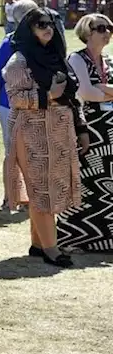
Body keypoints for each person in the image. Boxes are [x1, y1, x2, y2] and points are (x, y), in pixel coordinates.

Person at [4, 7, 84, 267]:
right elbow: (15, 99)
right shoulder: (19, 61)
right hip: (32, 133)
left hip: (59, 133)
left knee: (49, 188)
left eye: (50, 23)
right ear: (29, 29)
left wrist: (80, 127)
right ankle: (52, 249)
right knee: (41, 191)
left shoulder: (56, 56)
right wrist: (48, 95)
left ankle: (39, 244)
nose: (47, 28)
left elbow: (72, 96)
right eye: (40, 24)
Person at [58, 13, 113, 252]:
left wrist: (101, 89)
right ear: (87, 32)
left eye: (110, 27)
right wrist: (105, 91)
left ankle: (106, 239)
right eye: (101, 28)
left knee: (108, 184)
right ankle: (75, 238)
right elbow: (85, 93)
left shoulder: (108, 61)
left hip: (109, 132)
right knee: (84, 182)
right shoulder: (77, 59)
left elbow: (94, 90)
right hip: (88, 129)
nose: (107, 32)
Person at [0, 0, 38, 212]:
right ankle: (11, 197)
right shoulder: (9, 43)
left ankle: (28, 197)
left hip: (34, 104)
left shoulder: (41, 41)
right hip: (11, 105)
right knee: (13, 151)